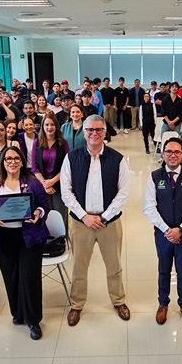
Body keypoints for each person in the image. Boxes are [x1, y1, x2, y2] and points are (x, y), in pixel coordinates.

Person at [60, 115, 132, 326]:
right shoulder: (71, 158)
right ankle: (77, 304)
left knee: (114, 265)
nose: (94, 133)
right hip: (80, 223)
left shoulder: (117, 159)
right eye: (90, 130)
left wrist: (104, 217)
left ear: (105, 132)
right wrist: (84, 216)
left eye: (99, 130)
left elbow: (123, 193)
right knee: (79, 267)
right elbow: (66, 191)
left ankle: (118, 301)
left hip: (109, 222)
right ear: (84, 133)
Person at [0, 146, 50, 340]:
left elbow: (44, 205)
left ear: (22, 161)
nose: (12, 162)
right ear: (3, 163)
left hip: (29, 237)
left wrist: (38, 213)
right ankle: (18, 313)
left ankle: (33, 320)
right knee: (11, 277)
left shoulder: (32, 183)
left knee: (29, 278)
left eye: (16, 158)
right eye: (8, 159)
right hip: (4, 237)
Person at [143, 137, 182, 326]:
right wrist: (167, 230)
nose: (173, 155)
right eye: (169, 151)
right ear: (163, 154)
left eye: (177, 152)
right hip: (163, 234)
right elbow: (149, 207)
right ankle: (163, 303)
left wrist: (181, 228)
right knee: (164, 269)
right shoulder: (154, 177)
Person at [33, 115, 70, 221]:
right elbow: (34, 167)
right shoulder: (37, 143)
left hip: (59, 185)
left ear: (56, 126)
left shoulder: (63, 143)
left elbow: (67, 166)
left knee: (61, 217)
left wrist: (52, 181)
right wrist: (45, 184)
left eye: (52, 124)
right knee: (45, 217)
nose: (49, 127)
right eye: (47, 125)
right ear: (43, 126)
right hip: (42, 185)